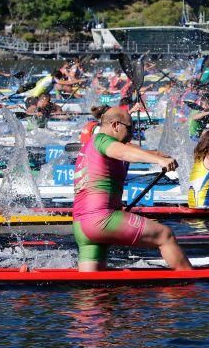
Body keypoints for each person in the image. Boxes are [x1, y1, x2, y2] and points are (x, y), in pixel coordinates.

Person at [73, 107, 190, 271]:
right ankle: (192, 285)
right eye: (130, 128)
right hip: (102, 220)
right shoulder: (102, 140)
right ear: (115, 125)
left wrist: (158, 155)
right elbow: (123, 152)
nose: (132, 133)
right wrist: (158, 161)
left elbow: (130, 149)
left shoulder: (91, 145)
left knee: (91, 289)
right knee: (165, 235)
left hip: (81, 227)